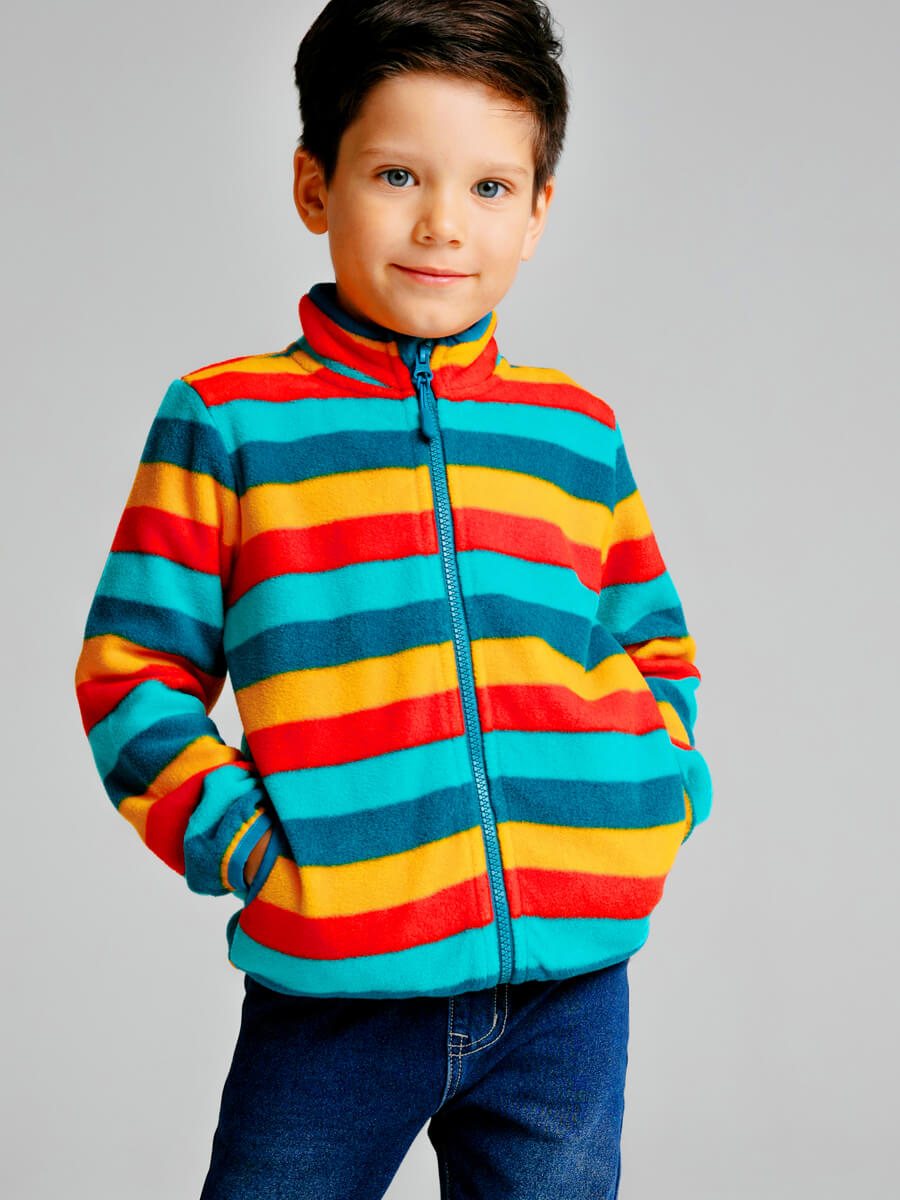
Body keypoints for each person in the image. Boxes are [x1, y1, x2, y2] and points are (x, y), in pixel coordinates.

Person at [74, 1, 713, 1195]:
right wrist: (249, 845)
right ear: (315, 185)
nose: (441, 224)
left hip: (570, 992)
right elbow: (132, 674)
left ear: (538, 212)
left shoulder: (575, 432)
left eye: (489, 187)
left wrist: (659, 795)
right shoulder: (230, 422)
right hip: (340, 990)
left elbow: (651, 646)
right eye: (397, 174)